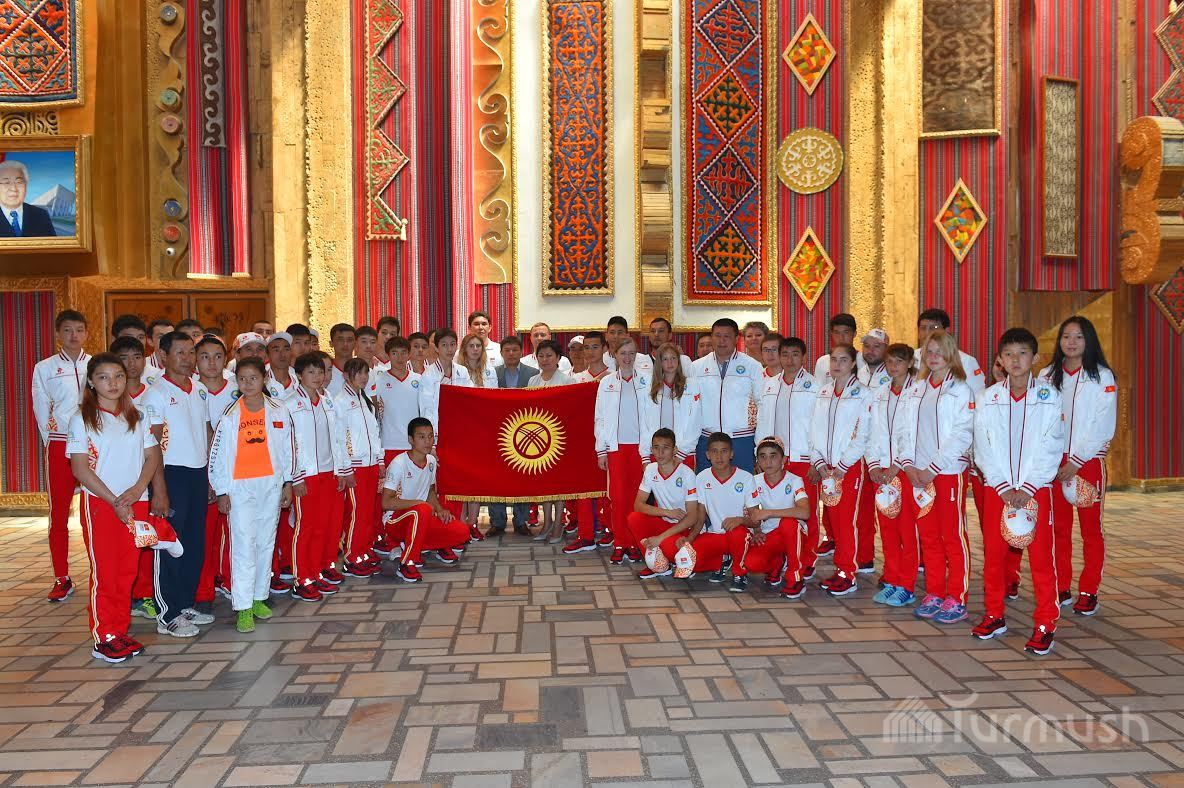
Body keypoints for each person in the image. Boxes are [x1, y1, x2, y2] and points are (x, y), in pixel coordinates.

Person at [972, 328, 1064, 656]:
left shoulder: (1050, 397)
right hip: (997, 490)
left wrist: (1028, 486)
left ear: (1035, 358)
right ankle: (994, 614)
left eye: (1022, 353)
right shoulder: (987, 398)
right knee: (994, 557)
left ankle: (1045, 622)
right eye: (1009, 354)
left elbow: (1053, 444)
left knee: (1041, 559)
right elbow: (982, 444)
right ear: (1000, 360)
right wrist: (1000, 484)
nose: (1015, 360)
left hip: (1036, 490)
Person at [68, 353, 161, 661]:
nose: (113, 383)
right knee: (106, 572)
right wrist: (115, 501)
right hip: (101, 505)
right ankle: (103, 636)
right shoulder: (82, 419)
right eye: (104, 377)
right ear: (91, 383)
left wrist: (136, 490)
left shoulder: (136, 416)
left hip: (136, 502)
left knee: (127, 571)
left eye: (118, 376)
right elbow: (80, 469)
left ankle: (119, 631)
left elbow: (152, 456)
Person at [209, 357, 298, 633]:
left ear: (264, 379)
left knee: (265, 542)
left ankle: (259, 597)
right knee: (244, 545)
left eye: (253, 378)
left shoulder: (279, 410)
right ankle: (243, 606)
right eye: (242, 379)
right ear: (236, 381)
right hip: (240, 487)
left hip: (270, 485)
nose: (248, 384)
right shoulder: (229, 414)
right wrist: (221, 490)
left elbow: (289, 449)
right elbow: (217, 455)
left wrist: (288, 482)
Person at [896, 331, 975, 623]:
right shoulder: (916, 389)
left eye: (939, 351)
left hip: (946, 473)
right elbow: (904, 430)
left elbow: (962, 435)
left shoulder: (961, 390)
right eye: (929, 351)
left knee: (952, 536)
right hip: (918, 475)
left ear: (951, 354)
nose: (933, 356)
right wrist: (908, 465)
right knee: (928, 537)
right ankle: (934, 592)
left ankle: (957, 597)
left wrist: (933, 468)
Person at [1041, 316, 1116, 616]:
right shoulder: (1047, 375)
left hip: (1087, 463)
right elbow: (1041, 421)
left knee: (1091, 529)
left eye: (1078, 337)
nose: (1071, 342)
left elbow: (1103, 425)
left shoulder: (1102, 377)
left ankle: (1089, 590)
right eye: (1066, 336)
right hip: (1054, 463)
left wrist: (1076, 460)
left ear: (1089, 341)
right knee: (1058, 528)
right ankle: (1062, 585)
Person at [143, 331, 212, 637]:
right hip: (170, 474)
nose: (187, 359)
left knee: (193, 543)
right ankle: (166, 614)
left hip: (197, 473)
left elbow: (206, 433)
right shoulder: (156, 393)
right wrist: (159, 489)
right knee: (169, 543)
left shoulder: (199, 389)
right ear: (163, 356)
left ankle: (184, 604)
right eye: (180, 352)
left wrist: (210, 477)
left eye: (190, 352)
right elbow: (152, 445)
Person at [32, 309, 91, 602]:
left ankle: (99, 570)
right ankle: (62, 576)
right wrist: (53, 438)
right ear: (58, 334)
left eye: (79, 330)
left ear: (86, 334)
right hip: (59, 445)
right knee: (58, 514)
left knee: (94, 511)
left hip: (93, 445)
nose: (73, 336)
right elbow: (41, 407)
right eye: (67, 330)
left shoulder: (96, 364)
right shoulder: (44, 368)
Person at [286, 352, 353, 601]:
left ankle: (320, 570)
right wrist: (296, 477)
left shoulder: (327, 401)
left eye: (320, 372)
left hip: (330, 473)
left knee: (328, 526)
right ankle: (302, 578)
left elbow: (338, 438)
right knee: (307, 528)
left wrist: (342, 470)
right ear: (299, 375)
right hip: (307, 476)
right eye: (311, 372)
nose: (317, 377)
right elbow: (288, 445)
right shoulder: (289, 404)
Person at [808, 344, 872, 597]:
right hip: (827, 468)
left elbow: (863, 434)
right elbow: (814, 428)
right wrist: (819, 461)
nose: (837, 364)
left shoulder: (863, 394)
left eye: (843, 360)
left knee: (846, 522)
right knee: (834, 520)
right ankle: (840, 568)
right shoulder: (824, 391)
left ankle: (848, 573)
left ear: (853, 363)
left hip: (848, 468)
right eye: (834, 359)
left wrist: (843, 466)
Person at [755, 336, 820, 582]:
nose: (789, 360)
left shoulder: (815, 386)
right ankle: (782, 556)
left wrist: (815, 460)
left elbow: (819, 425)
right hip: (773, 458)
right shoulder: (769, 385)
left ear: (804, 357)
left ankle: (808, 558)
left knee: (806, 512)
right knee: (776, 511)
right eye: (785, 354)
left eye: (795, 354)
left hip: (802, 458)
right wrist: (759, 453)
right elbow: (762, 421)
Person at [865, 343, 921, 608]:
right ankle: (892, 579)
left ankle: (907, 585)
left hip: (904, 472)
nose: (894, 366)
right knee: (887, 531)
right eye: (889, 361)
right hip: (882, 474)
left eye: (899, 361)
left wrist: (896, 466)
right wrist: (874, 465)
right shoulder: (879, 394)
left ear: (909, 363)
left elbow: (912, 435)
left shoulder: (917, 392)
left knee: (906, 531)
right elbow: (872, 433)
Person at [381, 418, 471, 582]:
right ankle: (407, 563)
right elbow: (386, 502)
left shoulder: (431, 461)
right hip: (395, 521)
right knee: (422, 510)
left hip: (421, 517)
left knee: (462, 531)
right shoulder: (399, 463)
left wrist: (440, 509)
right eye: (421, 437)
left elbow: (430, 491)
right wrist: (419, 504)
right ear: (411, 440)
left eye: (430, 436)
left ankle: (424, 544)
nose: (428, 441)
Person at [593, 338, 649, 563]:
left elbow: (652, 417)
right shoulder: (606, 383)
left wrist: (649, 450)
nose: (627, 358)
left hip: (640, 449)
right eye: (623, 353)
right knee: (618, 498)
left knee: (637, 497)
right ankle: (619, 542)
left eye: (631, 353)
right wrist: (601, 450)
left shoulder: (646, 381)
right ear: (615, 355)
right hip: (616, 448)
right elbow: (600, 418)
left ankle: (634, 542)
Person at [194, 335, 237, 612]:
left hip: (236, 472)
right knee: (205, 535)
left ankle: (234, 582)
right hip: (202, 472)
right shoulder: (192, 390)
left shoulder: (238, 388)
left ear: (226, 359)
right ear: (195, 360)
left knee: (235, 533)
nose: (212, 363)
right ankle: (204, 591)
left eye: (218, 356)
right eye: (205, 356)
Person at [740, 437, 811, 596]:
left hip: (794, 534)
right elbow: (752, 513)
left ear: (783, 459)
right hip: (769, 534)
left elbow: (805, 512)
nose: (768, 461)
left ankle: (796, 578)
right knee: (751, 563)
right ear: (757, 461)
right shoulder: (754, 481)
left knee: (788, 523)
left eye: (773, 456)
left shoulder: (795, 480)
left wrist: (770, 512)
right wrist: (757, 531)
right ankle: (777, 563)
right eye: (763, 457)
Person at [690, 318, 762, 474]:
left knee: (743, 486)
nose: (721, 341)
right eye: (717, 336)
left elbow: (762, 406)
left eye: (727, 336)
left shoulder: (752, 366)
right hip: (707, 440)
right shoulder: (696, 367)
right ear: (712, 337)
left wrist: (759, 444)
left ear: (736, 339)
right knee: (707, 486)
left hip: (742, 440)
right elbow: (690, 409)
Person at [627, 428, 701, 579]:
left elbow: (693, 517)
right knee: (634, 518)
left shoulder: (687, 474)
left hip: (683, 528)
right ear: (652, 450)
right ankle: (656, 564)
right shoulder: (650, 470)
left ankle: (675, 556)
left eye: (665, 448)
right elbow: (638, 505)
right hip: (665, 523)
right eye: (656, 448)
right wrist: (667, 512)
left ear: (675, 450)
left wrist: (660, 538)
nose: (660, 453)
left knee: (669, 547)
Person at [334, 358, 384, 577]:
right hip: (356, 466)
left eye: (366, 373)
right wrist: (346, 468)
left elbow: (374, 433)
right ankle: (352, 557)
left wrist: (380, 460)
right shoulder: (340, 401)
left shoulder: (365, 400)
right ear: (346, 375)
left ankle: (363, 550)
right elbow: (340, 438)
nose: (363, 377)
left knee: (368, 512)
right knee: (356, 513)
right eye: (358, 373)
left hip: (371, 464)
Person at [685, 432, 758, 580]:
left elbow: (756, 520)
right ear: (707, 455)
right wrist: (689, 539)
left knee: (738, 533)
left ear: (731, 454)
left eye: (724, 451)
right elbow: (700, 517)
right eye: (714, 451)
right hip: (716, 535)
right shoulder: (701, 478)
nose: (719, 456)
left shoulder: (746, 478)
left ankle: (739, 574)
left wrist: (740, 520)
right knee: (691, 561)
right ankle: (722, 560)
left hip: (741, 535)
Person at [489, 336, 538, 536]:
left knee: (522, 476)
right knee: (496, 478)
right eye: (507, 350)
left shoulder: (533, 374)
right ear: (501, 353)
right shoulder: (492, 373)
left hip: (523, 433)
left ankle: (521, 521)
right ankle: (497, 521)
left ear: (521, 352)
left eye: (515, 350)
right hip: (498, 433)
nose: (511, 354)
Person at [526, 340, 574, 543]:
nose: (545, 359)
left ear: (558, 358)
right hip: (539, 439)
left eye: (549, 355)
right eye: (541, 356)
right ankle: (546, 523)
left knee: (558, 483)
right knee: (543, 483)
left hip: (559, 439)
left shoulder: (567, 380)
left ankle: (558, 525)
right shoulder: (533, 381)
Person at [639, 342, 702, 470]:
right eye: (665, 359)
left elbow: (695, 421)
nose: (670, 362)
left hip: (683, 453)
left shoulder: (692, 385)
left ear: (678, 360)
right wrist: (645, 455)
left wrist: (682, 453)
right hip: (657, 453)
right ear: (659, 363)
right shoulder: (650, 388)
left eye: (673, 358)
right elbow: (644, 423)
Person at [915, 308, 986, 396]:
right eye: (923, 328)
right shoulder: (911, 358)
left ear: (947, 331)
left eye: (934, 327)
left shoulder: (965, 361)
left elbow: (977, 396)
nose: (927, 332)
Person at [0, 159, 56, 237]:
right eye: (6, 182)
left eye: (19, 182)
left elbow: (53, 243)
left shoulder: (41, 215)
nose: (13, 188)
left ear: (26, 185)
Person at [813, 313, 866, 383]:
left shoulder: (865, 360)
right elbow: (819, 388)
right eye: (837, 333)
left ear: (854, 334)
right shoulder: (822, 362)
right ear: (831, 334)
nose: (841, 337)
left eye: (846, 332)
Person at [265, 332, 298, 402]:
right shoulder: (262, 383)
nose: (282, 355)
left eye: (286, 349)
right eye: (276, 350)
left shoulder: (300, 382)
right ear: (267, 355)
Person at [327, 323, 356, 395]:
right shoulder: (323, 372)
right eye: (340, 340)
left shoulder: (364, 371)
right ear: (331, 343)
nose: (345, 344)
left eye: (349, 340)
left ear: (355, 343)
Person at [144, 319, 174, 384]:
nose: (167, 340)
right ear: (150, 341)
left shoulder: (182, 366)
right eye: (161, 337)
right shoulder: (143, 366)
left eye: (170, 336)